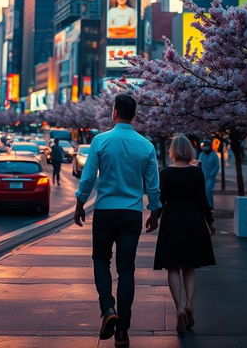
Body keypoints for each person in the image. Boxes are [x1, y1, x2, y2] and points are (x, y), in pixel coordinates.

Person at [74, 94, 161, 348]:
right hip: (131, 214)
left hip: (105, 212)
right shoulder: (146, 146)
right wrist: (154, 211)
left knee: (101, 260)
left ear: (114, 112)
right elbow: (153, 185)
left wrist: (80, 204)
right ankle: (123, 330)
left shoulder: (100, 141)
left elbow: (88, 177)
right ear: (134, 115)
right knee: (127, 269)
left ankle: (107, 307)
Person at [151, 135, 215, 335]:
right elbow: (203, 199)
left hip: (172, 221)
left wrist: (154, 218)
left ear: (172, 150)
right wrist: (210, 222)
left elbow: (160, 199)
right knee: (189, 266)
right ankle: (189, 304)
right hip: (193, 219)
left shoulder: (166, 173)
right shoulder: (196, 172)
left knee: (173, 267)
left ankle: (178, 307)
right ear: (189, 151)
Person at [197, 140, 219, 210]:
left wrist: (212, 174)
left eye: (206, 146)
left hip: (210, 177)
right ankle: (203, 205)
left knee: (208, 190)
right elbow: (199, 164)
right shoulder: (201, 154)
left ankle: (210, 205)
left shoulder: (214, 155)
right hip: (202, 176)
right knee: (202, 191)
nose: (205, 148)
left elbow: (217, 166)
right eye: (204, 147)